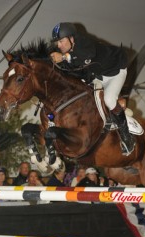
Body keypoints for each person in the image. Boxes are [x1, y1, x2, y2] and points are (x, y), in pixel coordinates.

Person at [50, 22, 135, 155]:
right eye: (57, 43)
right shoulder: (66, 55)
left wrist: (64, 57)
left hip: (115, 71)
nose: (59, 45)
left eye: (61, 41)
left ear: (71, 39)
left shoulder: (84, 43)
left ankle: (127, 137)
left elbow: (88, 54)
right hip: (97, 76)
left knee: (109, 99)